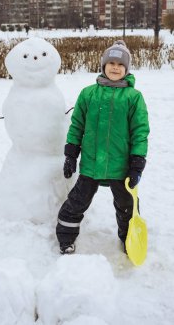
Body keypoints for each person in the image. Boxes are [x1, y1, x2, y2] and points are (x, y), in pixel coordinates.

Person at [56, 40, 150, 255]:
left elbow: (140, 132)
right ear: (103, 65)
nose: (115, 67)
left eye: (120, 64)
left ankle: (129, 240)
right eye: (111, 63)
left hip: (121, 166)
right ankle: (66, 238)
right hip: (91, 164)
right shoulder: (88, 94)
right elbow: (77, 125)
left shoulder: (133, 97)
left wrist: (137, 164)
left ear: (126, 69)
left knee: (127, 208)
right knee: (76, 203)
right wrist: (71, 154)